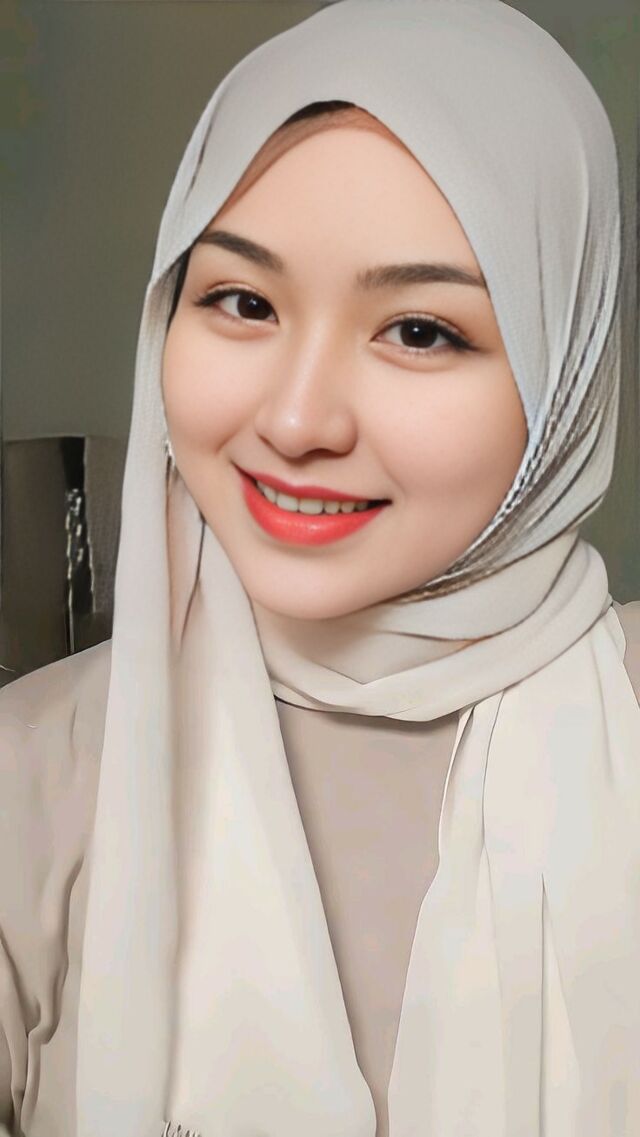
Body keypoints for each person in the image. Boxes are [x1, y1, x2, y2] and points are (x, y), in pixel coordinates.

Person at [0, 1, 639, 1135]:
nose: (296, 423)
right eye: (242, 302)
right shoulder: (34, 778)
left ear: (566, 368)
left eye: (420, 331)